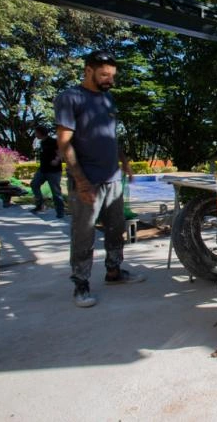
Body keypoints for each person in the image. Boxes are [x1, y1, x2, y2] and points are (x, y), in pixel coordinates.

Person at [54, 50, 144, 308]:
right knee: (84, 233)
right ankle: (81, 284)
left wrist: (124, 161)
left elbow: (110, 135)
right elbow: (64, 143)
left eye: (112, 76)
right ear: (88, 70)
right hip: (87, 180)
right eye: (104, 75)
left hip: (112, 177)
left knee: (116, 228)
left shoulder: (108, 99)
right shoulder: (70, 97)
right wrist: (81, 181)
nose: (110, 80)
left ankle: (114, 271)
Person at [30, 125, 65, 218]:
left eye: (36, 132)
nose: (35, 134)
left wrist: (56, 160)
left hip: (53, 171)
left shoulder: (53, 141)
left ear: (40, 132)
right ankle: (40, 205)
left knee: (56, 192)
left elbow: (61, 151)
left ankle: (60, 212)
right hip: (43, 170)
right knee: (34, 184)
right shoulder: (42, 142)